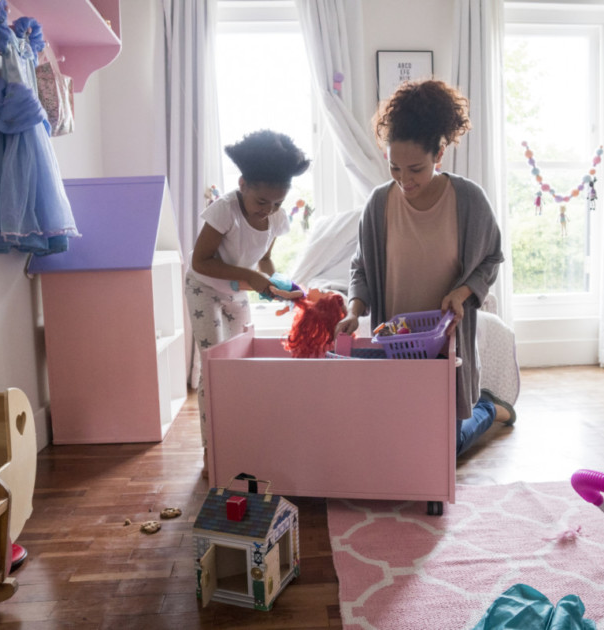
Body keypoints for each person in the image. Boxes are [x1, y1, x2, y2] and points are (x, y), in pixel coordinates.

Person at [334, 80, 515, 457]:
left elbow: (491, 257)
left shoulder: (468, 200)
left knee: (443, 450)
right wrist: (353, 311)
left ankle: (488, 408)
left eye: (415, 168)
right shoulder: (378, 204)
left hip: (445, 344)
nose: (404, 180)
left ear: (439, 154)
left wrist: (462, 293)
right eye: (394, 168)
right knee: (396, 444)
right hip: (397, 344)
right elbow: (361, 268)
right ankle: (481, 410)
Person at [185, 129, 311, 473]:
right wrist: (252, 278)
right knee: (213, 366)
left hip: (236, 289)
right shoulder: (224, 211)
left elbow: (264, 261)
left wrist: (279, 284)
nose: (268, 211)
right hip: (204, 288)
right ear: (243, 185)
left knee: (240, 362)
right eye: (261, 202)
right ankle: (212, 450)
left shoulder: (276, 218)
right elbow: (200, 261)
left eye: (277, 204)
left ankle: (238, 438)